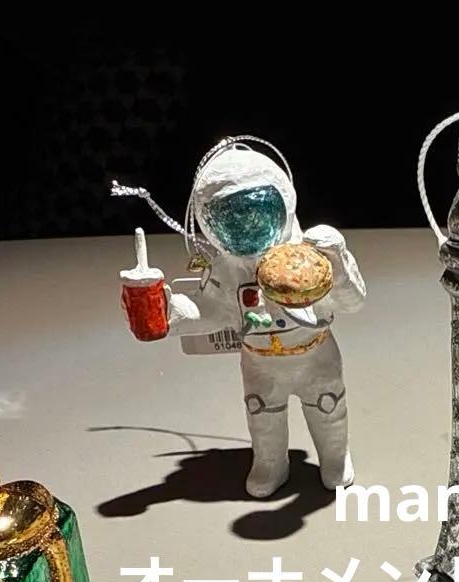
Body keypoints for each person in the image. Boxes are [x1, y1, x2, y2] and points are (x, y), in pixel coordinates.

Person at [116, 137, 365, 497]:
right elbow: (212, 311)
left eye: (257, 208)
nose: (246, 223)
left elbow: (351, 302)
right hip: (260, 363)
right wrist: (166, 311)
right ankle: (270, 463)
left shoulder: (310, 257)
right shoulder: (225, 269)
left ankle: (335, 458)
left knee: (328, 410)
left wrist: (337, 261)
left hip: (315, 354)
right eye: (229, 215)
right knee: (263, 418)